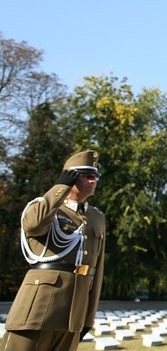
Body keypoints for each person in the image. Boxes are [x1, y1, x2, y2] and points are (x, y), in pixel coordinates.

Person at [2, 150, 106, 351]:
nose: (93, 181)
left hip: (73, 313)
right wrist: (59, 188)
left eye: (95, 177)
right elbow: (34, 224)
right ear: (70, 177)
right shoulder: (47, 208)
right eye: (87, 176)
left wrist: (87, 318)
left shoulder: (97, 217)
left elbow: (97, 269)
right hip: (38, 307)